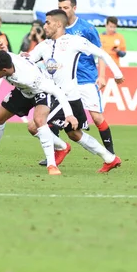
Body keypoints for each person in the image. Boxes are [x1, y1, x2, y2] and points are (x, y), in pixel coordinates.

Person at [27, 10, 125, 173]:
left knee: (34, 125)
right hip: (60, 97)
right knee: (74, 134)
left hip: (68, 98)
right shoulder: (44, 45)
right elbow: (27, 60)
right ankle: (110, 158)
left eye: (48, 23)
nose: (44, 26)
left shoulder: (75, 41)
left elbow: (101, 53)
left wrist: (117, 74)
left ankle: (60, 150)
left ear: (58, 24)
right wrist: (7, 54)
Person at [0, 50, 78, 175]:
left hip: (40, 92)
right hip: (23, 91)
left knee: (39, 121)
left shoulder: (30, 77)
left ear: (4, 70)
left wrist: (69, 115)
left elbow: (57, 92)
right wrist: (3, 48)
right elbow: (8, 54)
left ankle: (52, 165)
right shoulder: (7, 60)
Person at [55, 0, 117, 156]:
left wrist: (101, 75)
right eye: (60, 7)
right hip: (65, 81)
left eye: (66, 8)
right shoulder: (56, 28)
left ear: (74, 8)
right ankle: (56, 151)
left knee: (97, 118)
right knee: (53, 115)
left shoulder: (87, 28)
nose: (62, 10)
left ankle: (110, 153)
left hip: (86, 80)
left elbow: (100, 53)